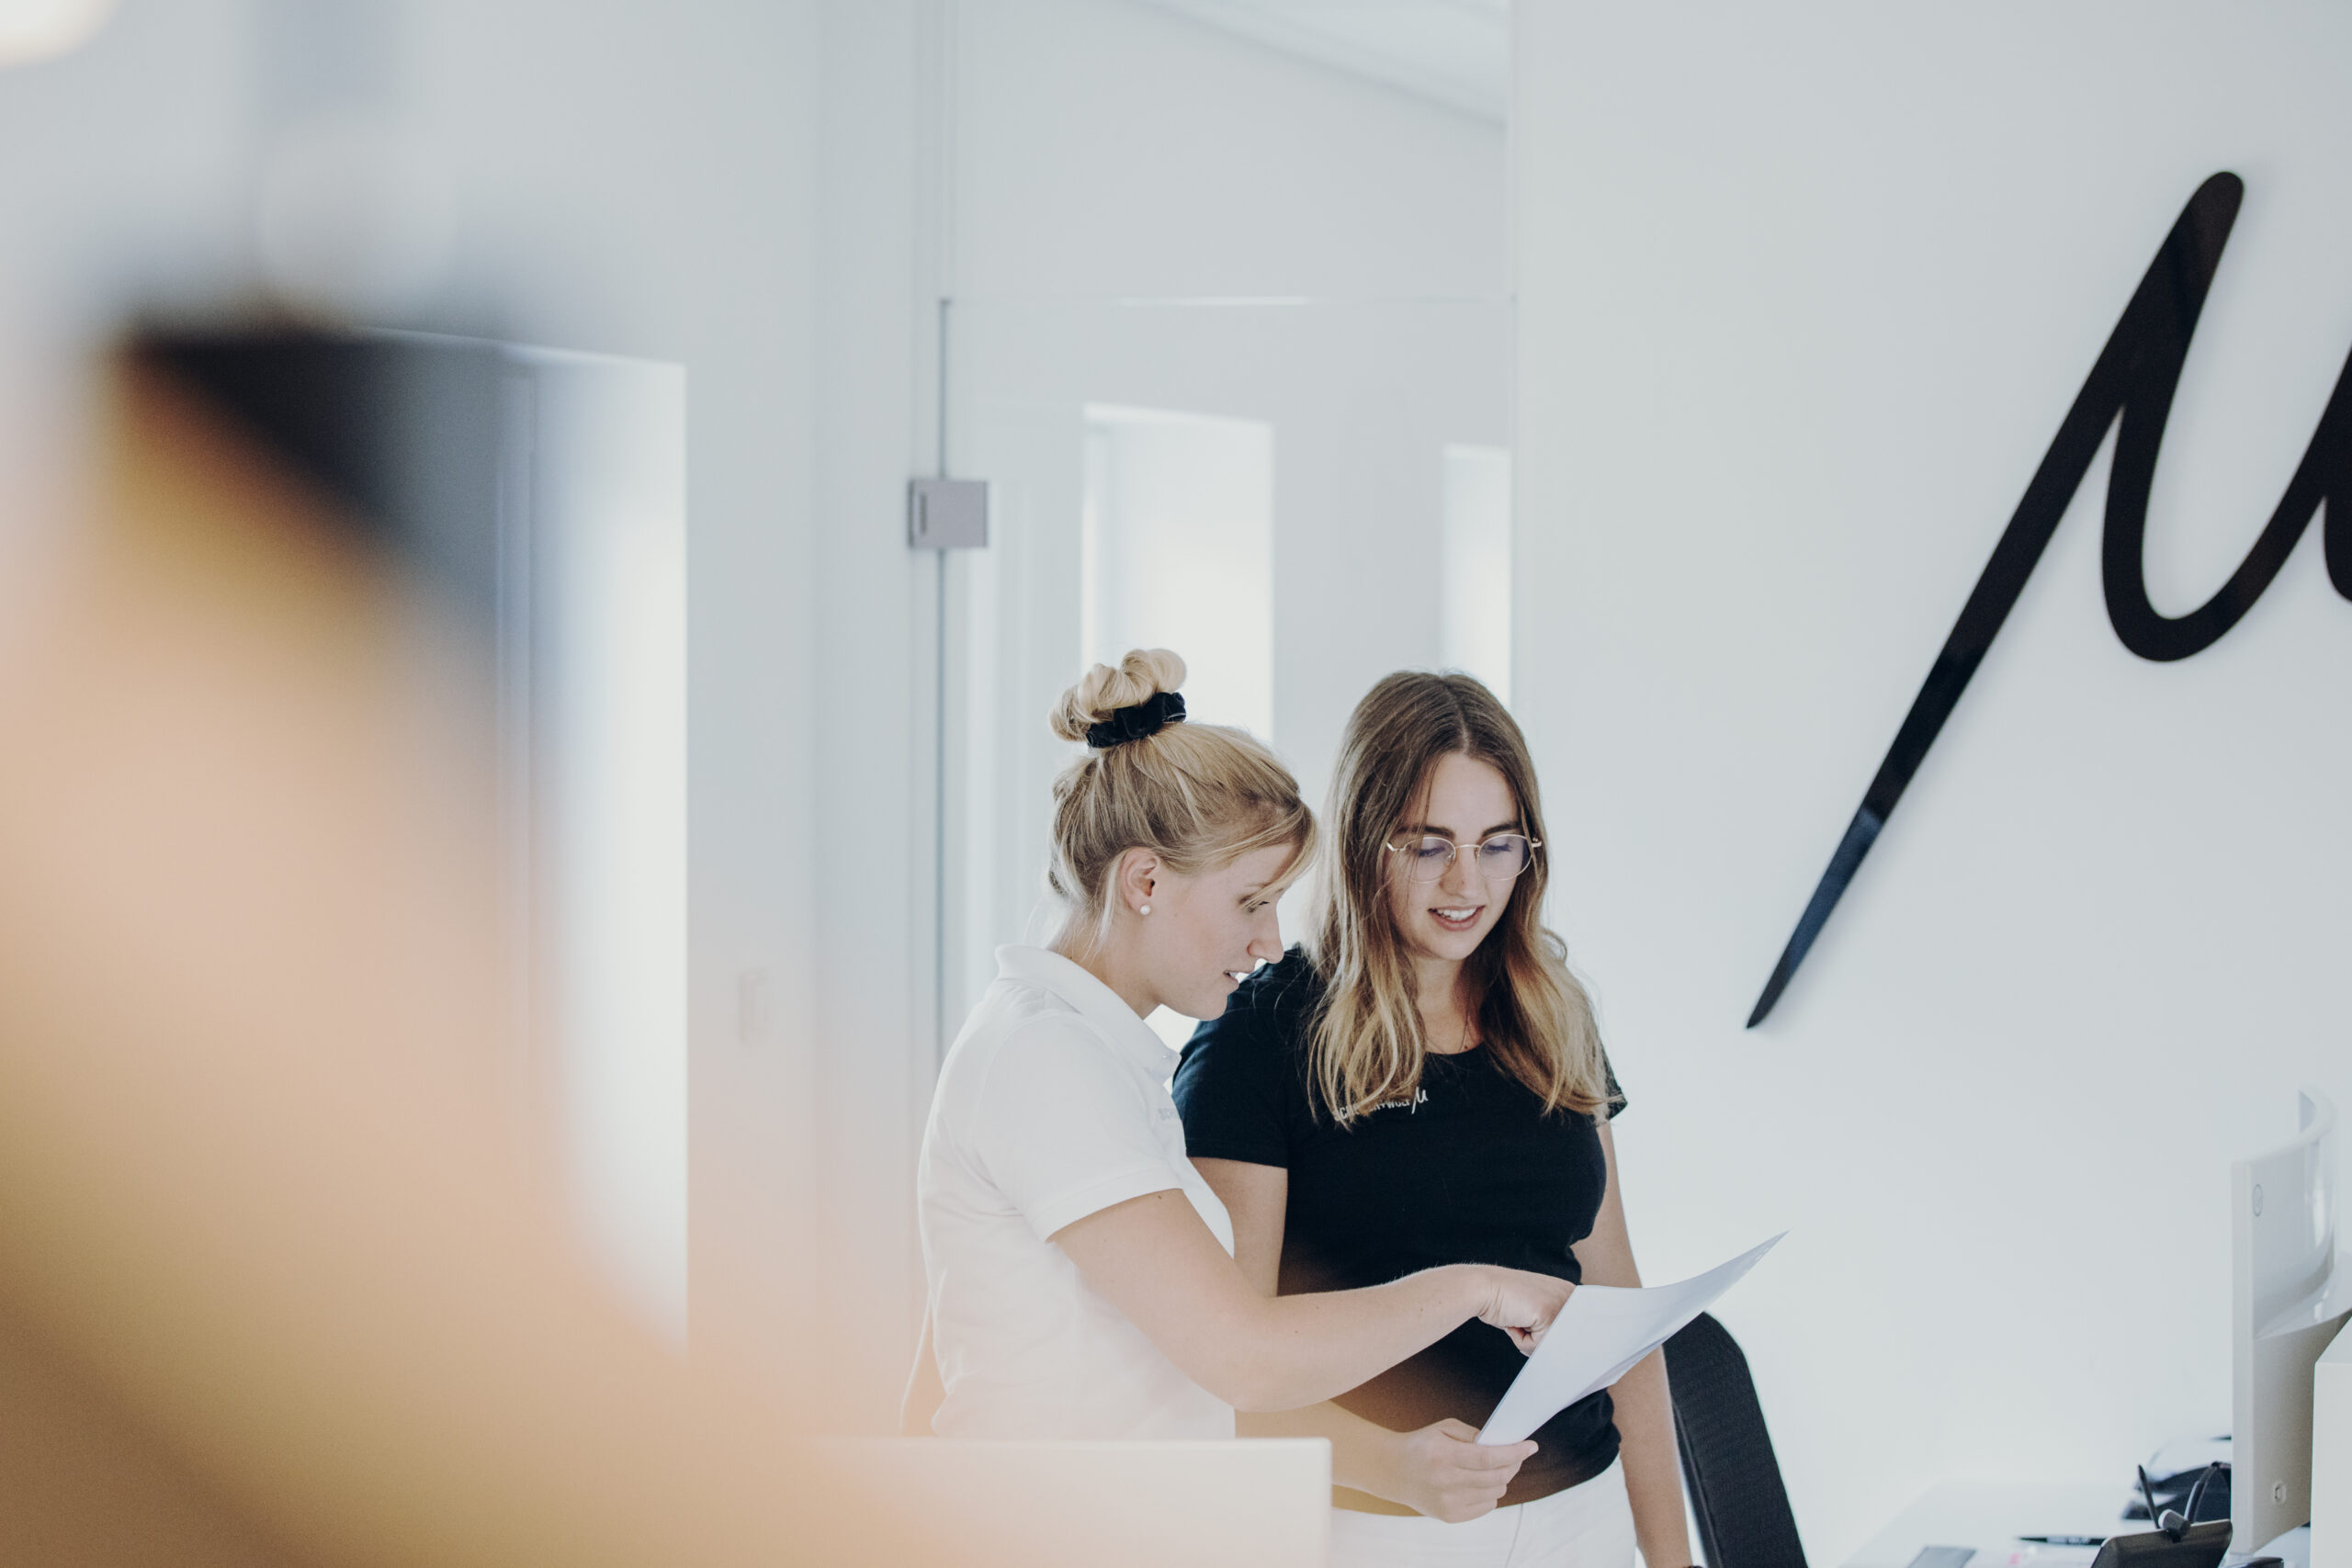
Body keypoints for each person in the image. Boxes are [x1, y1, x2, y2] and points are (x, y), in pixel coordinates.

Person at [905, 650, 1577, 1442]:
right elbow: (1245, 1360)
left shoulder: (1083, 1052)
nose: (1268, 941)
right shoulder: (1045, 1059)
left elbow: (944, 1355)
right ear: (1145, 882)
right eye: (1252, 901)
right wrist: (1478, 1289)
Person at [1172, 671, 1693, 1567]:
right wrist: (1390, 1468)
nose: (1467, 883)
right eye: (1427, 846)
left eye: (1497, 845)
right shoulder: (1258, 1038)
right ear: (1364, 842)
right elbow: (1219, 1371)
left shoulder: (1552, 1015)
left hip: (1585, 1518)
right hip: (1373, 1532)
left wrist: (1670, 1557)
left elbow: (1617, 1320)